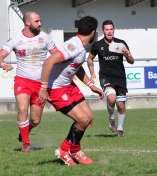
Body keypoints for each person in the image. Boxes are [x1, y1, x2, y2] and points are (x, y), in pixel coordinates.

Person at [37, 16, 104, 166]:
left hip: (68, 85)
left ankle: (72, 150)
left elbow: (76, 67)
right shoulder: (74, 45)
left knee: (88, 117)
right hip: (56, 89)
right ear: (94, 32)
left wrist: (91, 85)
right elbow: (49, 62)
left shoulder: (80, 45)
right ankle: (67, 150)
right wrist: (43, 88)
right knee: (83, 120)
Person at [0, 11, 57, 152]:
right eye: (37, 21)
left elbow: (57, 56)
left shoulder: (45, 38)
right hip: (22, 81)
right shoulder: (15, 40)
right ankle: (26, 144)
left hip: (41, 84)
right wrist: (3, 65)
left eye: (40, 21)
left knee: (36, 120)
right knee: (22, 108)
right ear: (27, 22)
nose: (40, 24)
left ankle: (24, 131)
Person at [87, 20, 134, 138]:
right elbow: (89, 59)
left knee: (121, 106)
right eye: (107, 29)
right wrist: (92, 73)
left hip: (120, 78)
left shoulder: (121, 43)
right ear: (103, 31)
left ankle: (120, 129)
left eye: (111, 29)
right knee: (111, 98)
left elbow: (132, 61)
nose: (109, 31)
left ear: (114, 30)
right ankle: (111, 117)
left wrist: (128, 55)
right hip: (106, 77)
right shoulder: (97, 45)